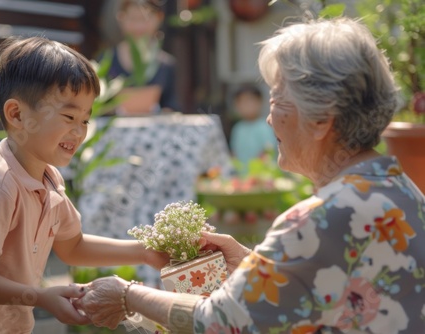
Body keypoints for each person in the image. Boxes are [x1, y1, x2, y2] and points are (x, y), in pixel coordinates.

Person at [73, 17, 425, 333]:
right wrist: (253, 264)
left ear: (321, 120)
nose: (270, 119)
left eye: (276, 101)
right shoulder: (405, 191)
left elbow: (220, 323)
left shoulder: (317, 219)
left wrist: (127, 296)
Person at [0, 36, 168, 334]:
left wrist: (144, 251)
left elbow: (73, 246)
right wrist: (41, 297)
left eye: (85, 120)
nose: (78, 132)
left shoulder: (49, 178)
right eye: (68, 116)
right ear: (17, 115)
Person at [105, 0, 179, 114]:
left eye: (145, 18)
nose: (139, 26)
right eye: (133, 18)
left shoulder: (166, 64)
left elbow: (171, 105)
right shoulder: (106, 61)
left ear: (159, 18)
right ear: (121, 18)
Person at [229, 84, 277, 174]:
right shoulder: (237, 129)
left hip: (264, 178)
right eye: (242, 102)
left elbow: (268, 151)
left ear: (260, 102)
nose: (246, 105)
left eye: (250, 101)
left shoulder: (266, 126)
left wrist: (257, 170)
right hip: (242, 179)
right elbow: (234, 154)